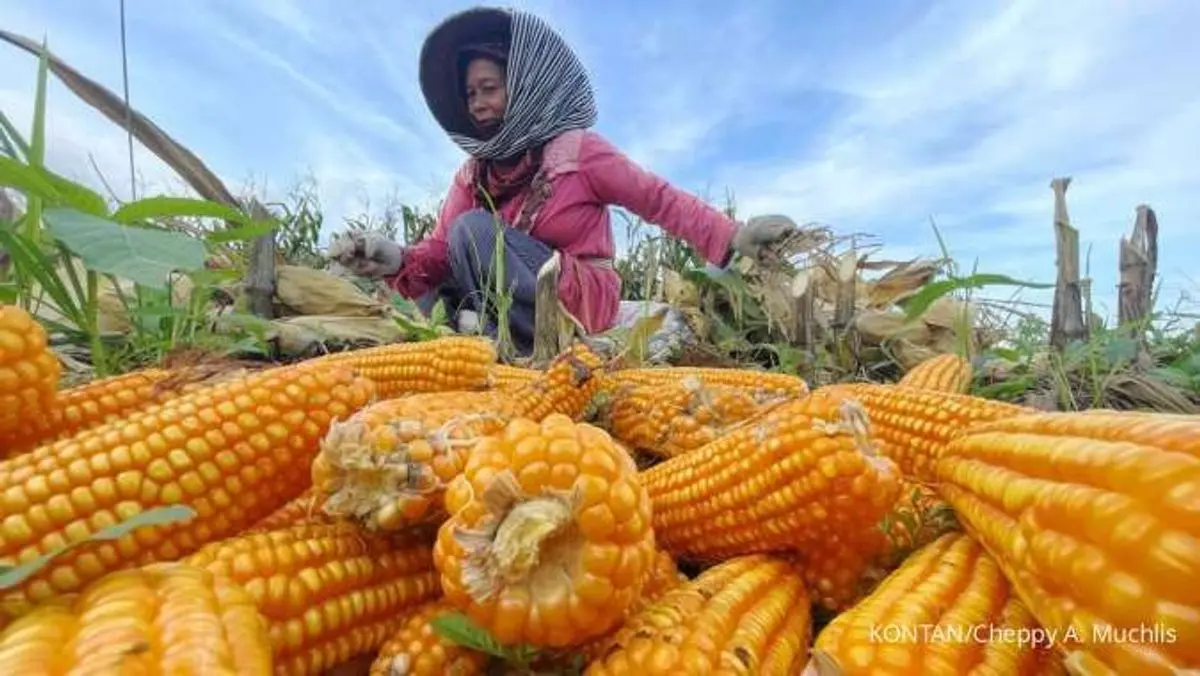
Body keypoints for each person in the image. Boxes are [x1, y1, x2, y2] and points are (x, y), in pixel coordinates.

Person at [330, 6, 797, 355]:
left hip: (576, 297)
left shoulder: (578, 152)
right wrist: (394, 258)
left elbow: (658, 200)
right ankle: (476, 341)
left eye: (489, 88)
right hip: (507, 301)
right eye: (471, 93)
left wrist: (733, 236)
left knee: (471, 230)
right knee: (430, 282)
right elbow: (439, 251)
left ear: (523, 85)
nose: (476, 103)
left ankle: (499, 344)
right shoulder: (474, 174)